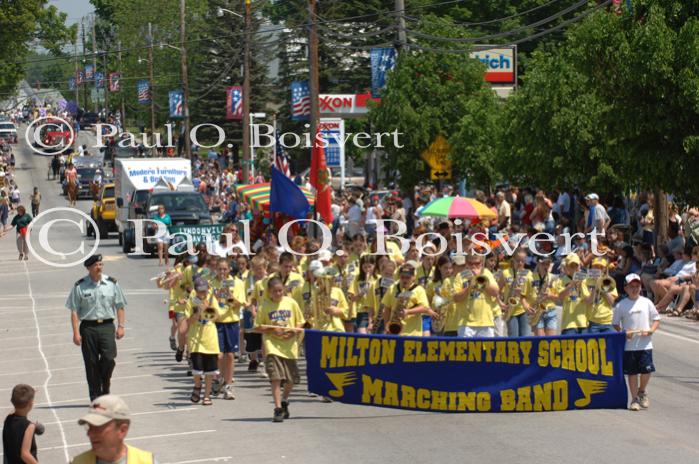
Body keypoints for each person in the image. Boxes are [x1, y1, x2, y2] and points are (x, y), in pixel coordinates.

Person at [65, 254, 128, 401]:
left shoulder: (112, 283)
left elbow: (120, 306)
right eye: (96, 265)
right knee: (91, 362)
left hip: (107, 326)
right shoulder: (80, 286)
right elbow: (74, 311)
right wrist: (75, 333)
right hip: (88, 328)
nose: (99, 268)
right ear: (89, 268)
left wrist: (121, 326)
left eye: (101, 265)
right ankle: (95, 395)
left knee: (109, 358)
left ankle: (104, 385)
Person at [254, 277, 305, 422]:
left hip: (290, 346)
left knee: (292, 379)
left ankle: (284, 400)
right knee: (275, 378)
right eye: (275, 291)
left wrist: (294, 331)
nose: (278, 293)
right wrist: (272, 329)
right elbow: (258, 326)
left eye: (280, 290)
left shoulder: (291, 302)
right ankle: (277, 409)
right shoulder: (264, 305)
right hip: (272, 346)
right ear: (269, 292)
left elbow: (300, 322)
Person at [613, 273, 661, 411]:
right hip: (629, 346)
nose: (635, 289)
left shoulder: (647, 302)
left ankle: (642, 391)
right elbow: (615, 324)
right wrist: (623, 332)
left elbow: (656, 319)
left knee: (646, 370)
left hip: (645, 344)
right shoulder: (621, 305)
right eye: (632, 287)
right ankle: (634, 399)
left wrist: (651, 331)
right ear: (626, 288)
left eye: (637, 286)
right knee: (632, 373)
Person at [71, 395, 157, 463]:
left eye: (98, 427)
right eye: (89, 427)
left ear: (122, 430)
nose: (89, 434)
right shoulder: (78, 462)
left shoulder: (146, 462)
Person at [211, 258, 245, 400]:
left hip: (232, 321)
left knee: (230, 355)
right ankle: (219, 378)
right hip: (217, 322)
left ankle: (228, 385)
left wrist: (228, 293)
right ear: (216, 269)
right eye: (220, 269)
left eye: (225, 269)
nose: (222, 272)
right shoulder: (212, 283)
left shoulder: (237, 283)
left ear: (229, 269)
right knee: (218, 355)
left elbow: (239, 303)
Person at [184, 278, 221, 406]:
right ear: (196, 290)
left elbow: (218, 317)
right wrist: (198, 311)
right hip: (195, 338)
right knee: (197, 368)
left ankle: (206, 395)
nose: (202, 294)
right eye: (200, 291)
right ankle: (197, 385)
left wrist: (207, 308)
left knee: (210, 370)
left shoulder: (211, 299)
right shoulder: (191, 300)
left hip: (210, 337)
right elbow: (189, 321)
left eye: (204, 291)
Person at [3, 384, 41, 464]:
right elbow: (25, 454)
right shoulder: (29, 427)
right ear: (30, 404)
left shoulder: (8, 419)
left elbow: (16, 407)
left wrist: (28, 396)